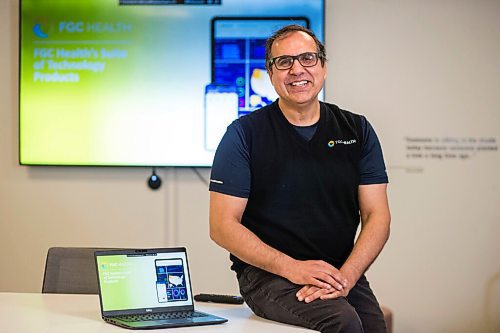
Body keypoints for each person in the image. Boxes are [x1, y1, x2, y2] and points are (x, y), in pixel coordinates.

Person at [209, 24, 391, 333]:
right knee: (343, 322)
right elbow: (222, 226)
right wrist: (291, 268)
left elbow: (377, 216)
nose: (297, 69)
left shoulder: (356, 130)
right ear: (270, 73)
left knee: (373, 327)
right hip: (268, 275)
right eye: (284, 61)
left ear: (323, 66)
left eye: (307, 58)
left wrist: (346, 278)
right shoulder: (244, 135)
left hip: (336, 270)